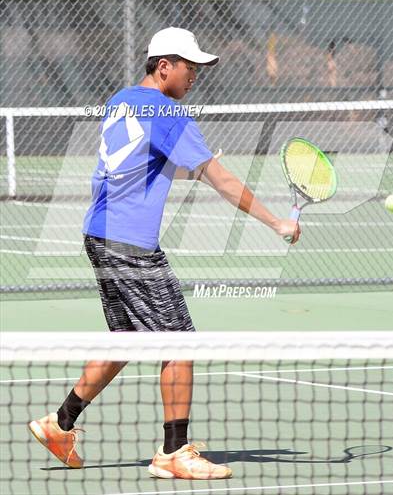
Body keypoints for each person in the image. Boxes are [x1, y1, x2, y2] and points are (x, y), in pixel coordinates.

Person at [28, 27, 300, 480]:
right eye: (190, 67)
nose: (195, 75)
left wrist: (186, 166)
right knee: (180, 340)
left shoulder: (122, 100)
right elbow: (222, 180)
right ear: (164, 66)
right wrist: (276, 223)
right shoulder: (168, 113)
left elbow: (137, 163)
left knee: (130, 338)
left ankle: (59, 423)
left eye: (198, 68)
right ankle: (175, 452)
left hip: (98, 234)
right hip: (131, 244)